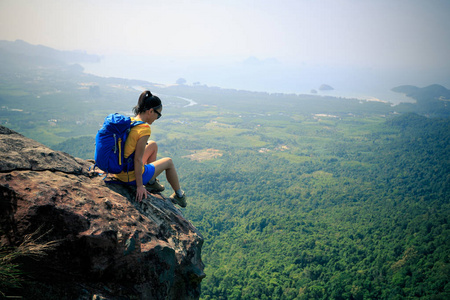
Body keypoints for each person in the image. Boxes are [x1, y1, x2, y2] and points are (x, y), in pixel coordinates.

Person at [114, 90, 186, 207]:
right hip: (129, 176)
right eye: (158, 114)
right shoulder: (144, 129)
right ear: (150, 111)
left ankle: (151, 182)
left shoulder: (131, 121)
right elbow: (137, 159)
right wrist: (139, 186)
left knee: (152, 145)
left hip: (119, 170)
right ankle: (180, 196)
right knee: (169, 162)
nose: (157, 118)